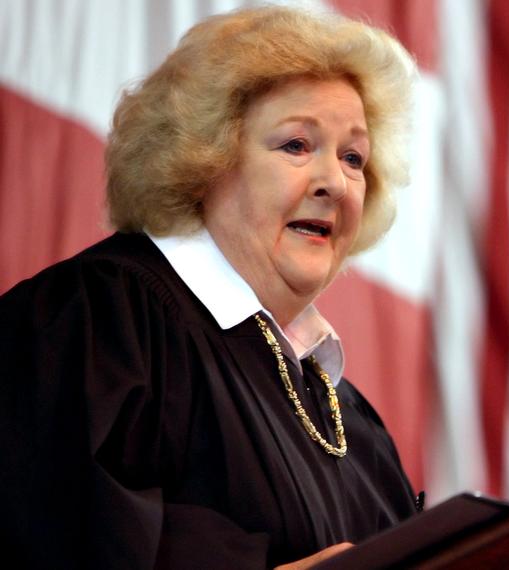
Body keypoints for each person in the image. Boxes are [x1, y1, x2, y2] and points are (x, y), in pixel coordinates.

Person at [0, 5, 419, 569]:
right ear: (203, 157)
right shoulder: (102, 319)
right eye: (296, 145)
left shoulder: (353, 421)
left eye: (353, 158)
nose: (335, 185)